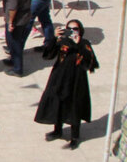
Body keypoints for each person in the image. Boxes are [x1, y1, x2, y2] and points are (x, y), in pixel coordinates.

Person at [35, 20, 98, 148]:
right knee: (57, 102)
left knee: (75, 106)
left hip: (77, 80)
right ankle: (57, 130)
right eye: (69, 28)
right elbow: (48, 55)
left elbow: (91, 61)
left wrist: (78, 44)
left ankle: (75, 136)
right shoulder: (62, 42)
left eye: (75, 29)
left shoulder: (84, 44)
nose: (72, 31)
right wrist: (53, 37)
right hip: (60, 78)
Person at [3, 0, 34, 76]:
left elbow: (13, 7)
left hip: (17, 18)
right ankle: (13, 60)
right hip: (26, 14)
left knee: (14, 42)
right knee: (14, 41)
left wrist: (11, 22)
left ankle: (17, 68)